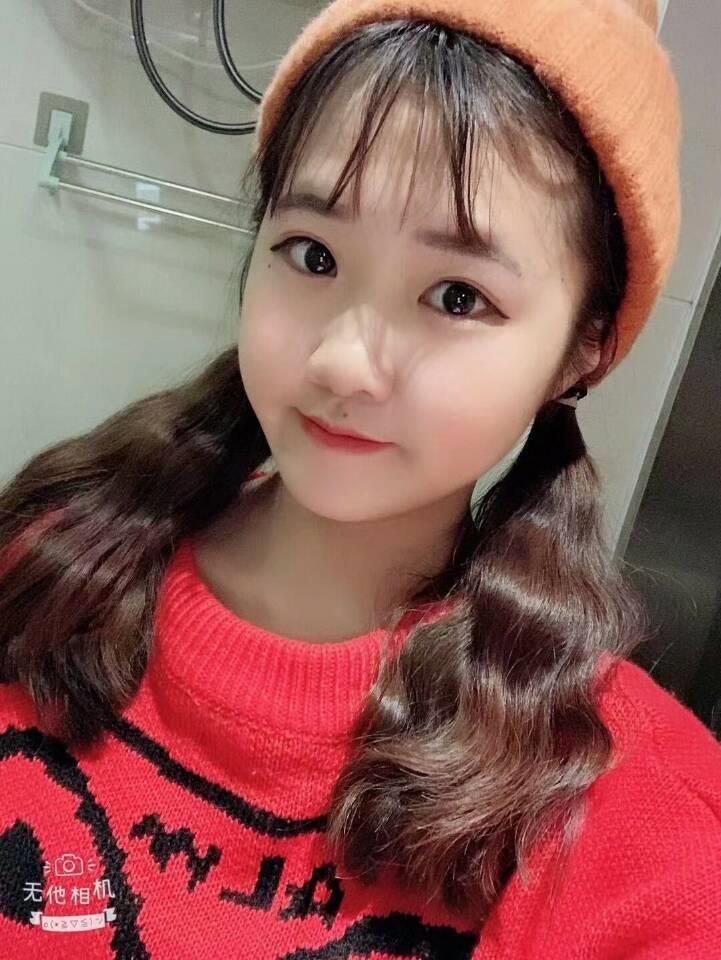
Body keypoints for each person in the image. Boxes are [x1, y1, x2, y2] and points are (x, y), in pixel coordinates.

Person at [1, 0, 720, 957]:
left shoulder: (626, 816)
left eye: (456, 296)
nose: (343, 361)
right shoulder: (49, 569)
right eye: (313, 255)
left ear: (580, 352)